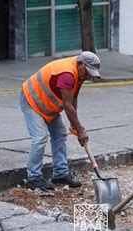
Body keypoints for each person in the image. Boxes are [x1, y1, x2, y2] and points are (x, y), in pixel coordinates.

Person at [20, 51, 101, 191]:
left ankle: (60, 174)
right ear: (80, 63)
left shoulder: (79, 73)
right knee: (39, 138)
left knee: (60, 134)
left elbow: (73, 98)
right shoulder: (67, 74)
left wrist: (74, 124)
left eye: (91, 74)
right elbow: (67, 105)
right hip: (32, 101)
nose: (88, 76)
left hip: (47, 106)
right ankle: (33, 178)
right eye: (87, 72)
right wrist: (80, 130)